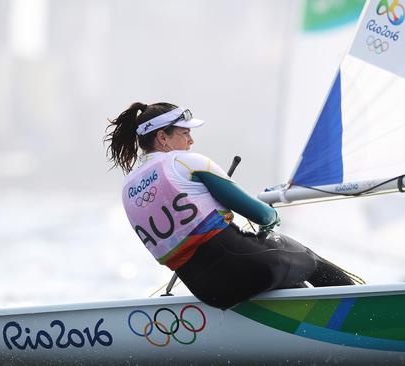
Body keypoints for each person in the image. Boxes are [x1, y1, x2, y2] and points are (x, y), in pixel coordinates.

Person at [105, 102, 355, 309]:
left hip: (208, 292)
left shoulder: (128, 188)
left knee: (284, 278)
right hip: (246, 266)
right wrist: (272, 218)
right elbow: (261, 214)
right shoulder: (187, 162)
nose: (191, 141)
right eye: (184, 133)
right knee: (307, 259)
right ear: (163, 138)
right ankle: (359, 310)